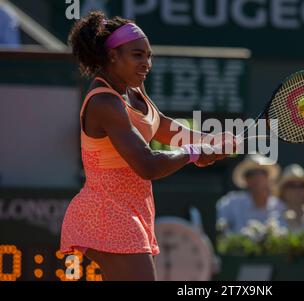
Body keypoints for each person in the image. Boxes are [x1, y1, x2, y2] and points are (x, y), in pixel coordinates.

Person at [60, 12, 235, 281]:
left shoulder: (132, 89)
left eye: (149, 55)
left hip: (132, 211)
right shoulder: (105, 102)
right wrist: (195, 153)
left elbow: (161, 126)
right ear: (113, 56)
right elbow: (148, 164)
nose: (147, 63)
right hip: (107, 213)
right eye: (138, 55)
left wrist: (208, 140)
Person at [216, 154, 284, 233]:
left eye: (261, 172)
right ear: (246, 179)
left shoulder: (279, 206)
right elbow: (221, 227)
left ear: (267, 178)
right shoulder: (231, 203)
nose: (256, 178)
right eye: (250, 174)